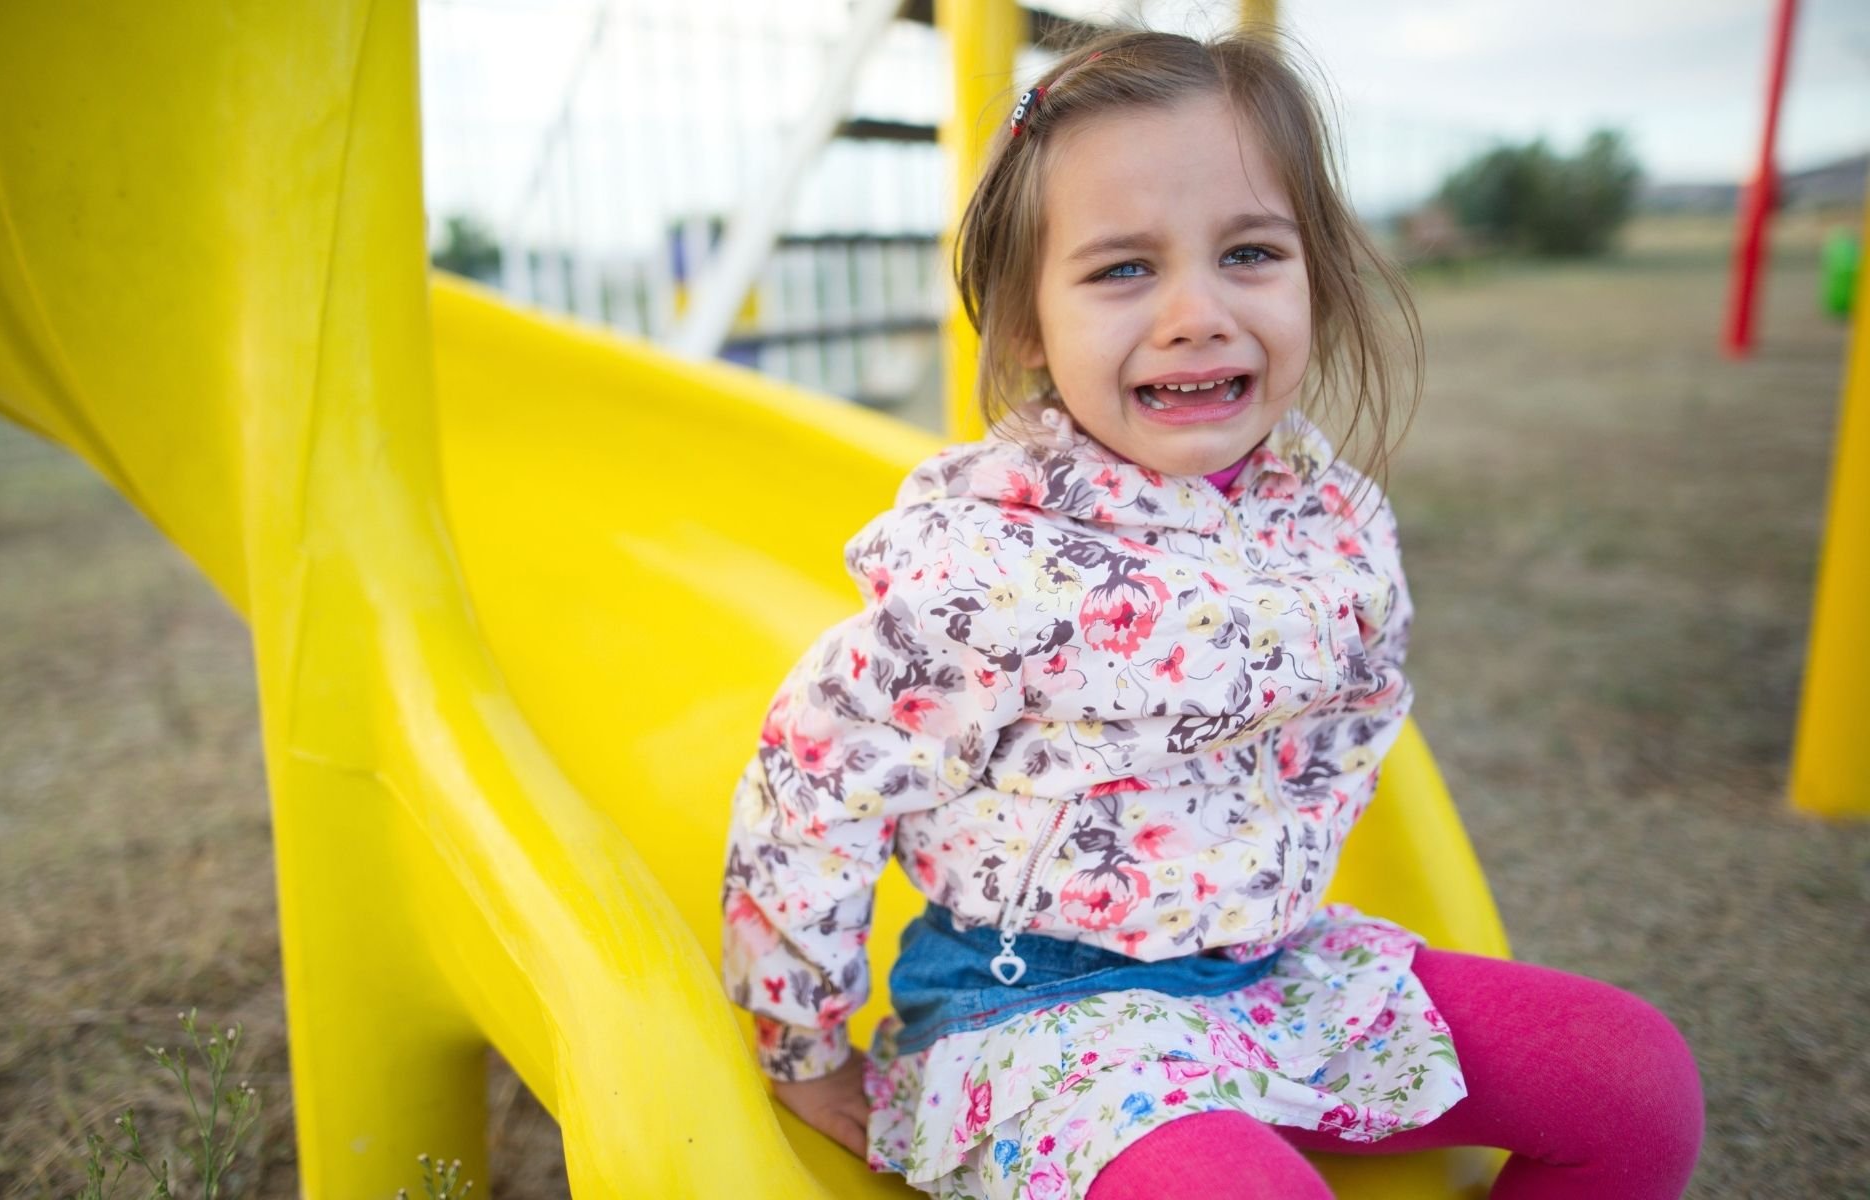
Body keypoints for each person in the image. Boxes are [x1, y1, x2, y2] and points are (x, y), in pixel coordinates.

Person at [718, 27, 1703, 1200]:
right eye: (1122, 269)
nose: (1195, 311)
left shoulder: (1326, 516)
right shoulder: (984, 565)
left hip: (1269, 968)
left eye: (1246, 252)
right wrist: (800, 1044)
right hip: (1032, 1011)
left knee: (1632, 1080)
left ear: (1312, 277)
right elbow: (816, 778)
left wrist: (1259, 879)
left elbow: (1350, 715)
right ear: (1027, 324)